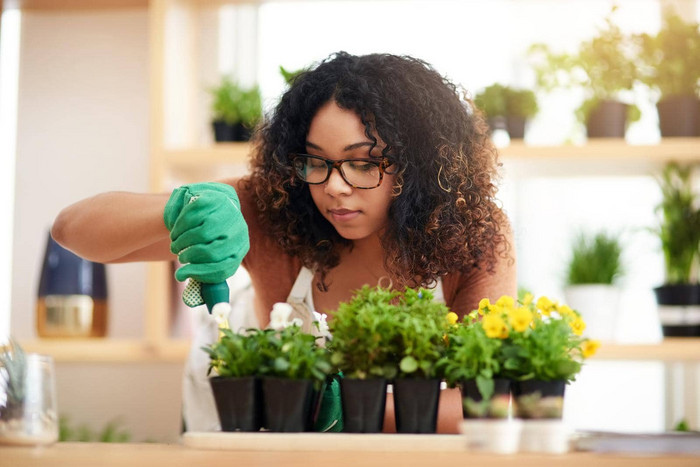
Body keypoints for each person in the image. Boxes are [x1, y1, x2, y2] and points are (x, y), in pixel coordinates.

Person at [51, 51, 516, 433]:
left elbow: (490, 403)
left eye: (363, 163)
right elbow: (72, 229)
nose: (334, 186)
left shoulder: (472, 237)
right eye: (316, 162)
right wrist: (182, 207)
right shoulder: (272, 209)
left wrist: (332, 405)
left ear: (419, 166)